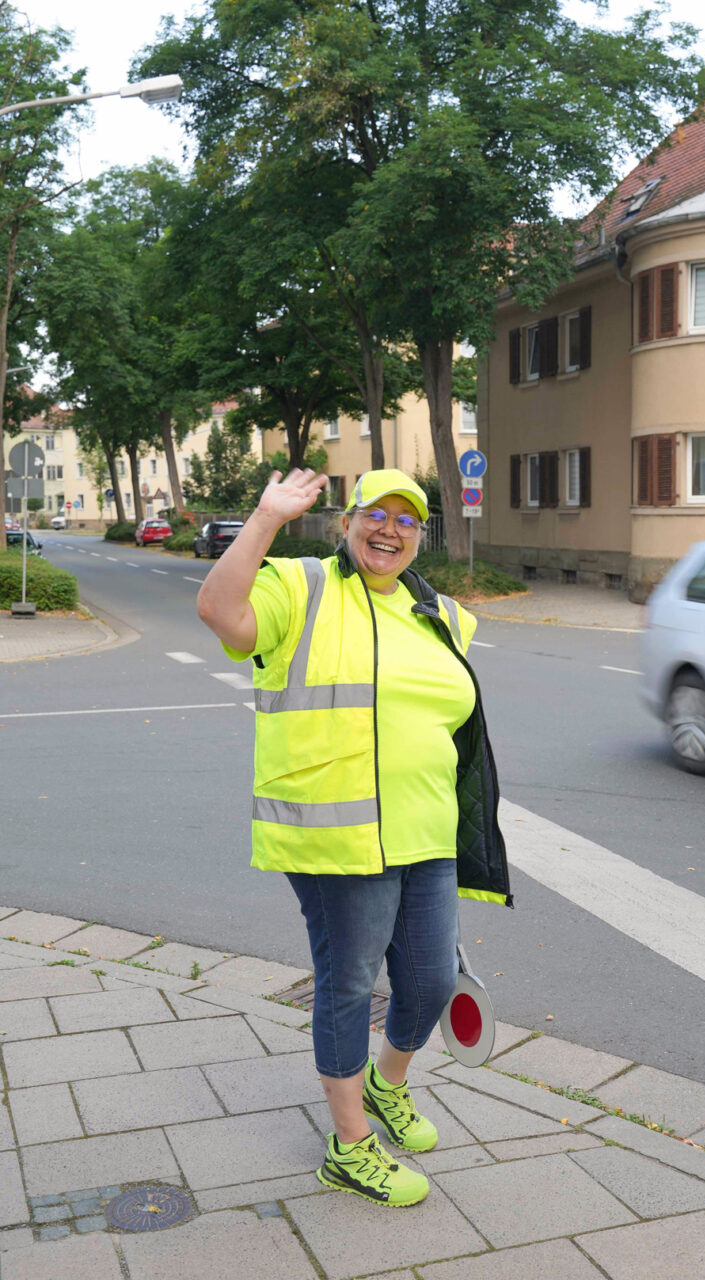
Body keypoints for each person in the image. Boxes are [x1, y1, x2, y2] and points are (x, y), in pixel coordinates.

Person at [196, 466, 511, 1207]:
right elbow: (218, 609)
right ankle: (349, 1145)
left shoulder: (443, 614)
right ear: (348, 522)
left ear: (420, 536)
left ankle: (385, 1083)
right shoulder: (300, 587)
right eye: (376, 513)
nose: (390, 529)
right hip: (337, 838)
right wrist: (267, 517)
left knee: (431, 983)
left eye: (407, 519)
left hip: (426, 833)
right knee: (347, 984)